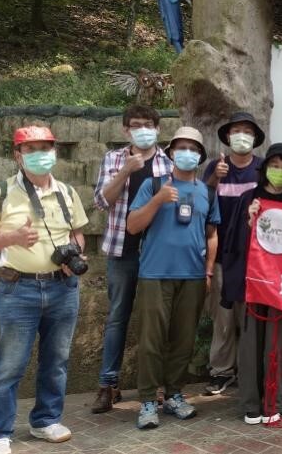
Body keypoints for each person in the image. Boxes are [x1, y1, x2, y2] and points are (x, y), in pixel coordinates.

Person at [0, 126, 89, 454]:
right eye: (32, 148)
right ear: (17, 155)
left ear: (55, 152)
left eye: (46, 147)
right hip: (17, 289)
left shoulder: (67, 192)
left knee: (57, 359)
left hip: (63, 288)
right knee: (9, 364)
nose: (40, 154)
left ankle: (46, 420)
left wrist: (76, 253)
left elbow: (78, 233)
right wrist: (12, 238)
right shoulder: (2, 191)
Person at [126, 126, 221, 429]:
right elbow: (132, 226)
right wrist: (158, 201)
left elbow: (212, 234)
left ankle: (174, 395)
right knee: (152, 340)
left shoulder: (207, 191)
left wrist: (208, 270)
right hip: (155, 274)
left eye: (193, 149)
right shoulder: (153, 186)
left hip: (193, 276)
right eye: (181, 148)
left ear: (200, 156)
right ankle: (148, 401)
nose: (188, 154)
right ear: (171, 154)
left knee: (183, 340)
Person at [92, 105, 173, 413]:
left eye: (149, 124)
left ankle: (156, 385)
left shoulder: (169, 162)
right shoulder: (113, 159)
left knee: (158, 319)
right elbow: (101, 201)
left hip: (158, 252)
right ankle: (108, 385)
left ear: (158, 129)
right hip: (121, 250)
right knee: (116, 318)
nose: (143, 130)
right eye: (136, 125)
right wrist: (126, 171)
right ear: (125, 130)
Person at [221, 143, 282, 424]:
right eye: (275, 165)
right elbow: (233, 244)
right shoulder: (250, 198)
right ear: (265, 168)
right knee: (250, 344)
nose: (280, 172)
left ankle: (275, 402)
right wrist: (249, 220)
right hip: (254, 282)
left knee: (280, 342)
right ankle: (250, 403)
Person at [200, 112, 266, 395]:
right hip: (223, 255)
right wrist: (214, 179)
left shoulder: (264, 169)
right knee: (223, 317)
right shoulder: (216, 167)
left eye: (247, 131)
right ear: (227, 136)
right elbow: (202, 202)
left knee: (249, 317)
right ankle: (221, 371)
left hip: (256, 258)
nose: (242, 136)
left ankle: (248, 370)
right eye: (236, 130)